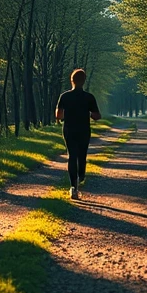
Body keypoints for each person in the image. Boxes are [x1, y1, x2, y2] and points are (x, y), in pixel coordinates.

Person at [55, 68, 101, 200]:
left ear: (72, 80)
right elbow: (97, 116)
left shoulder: (64, 96)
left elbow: (58, 115)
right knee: (82, 155)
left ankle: (73, 187)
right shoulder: (89, 97)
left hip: (69, 130)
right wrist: (91, 114)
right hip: (84, 130)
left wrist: (63, 115)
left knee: (71, 156)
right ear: (84, 81)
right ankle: (81, 177)